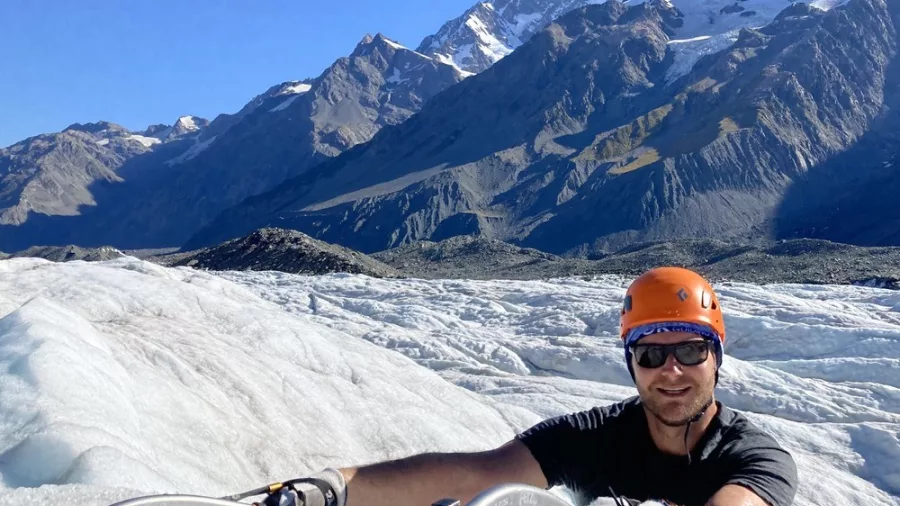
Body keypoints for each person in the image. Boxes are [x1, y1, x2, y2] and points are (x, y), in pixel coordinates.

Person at [295, 267, 798, 506]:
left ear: (716, 357)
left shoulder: (755, 458)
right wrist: (330, 489)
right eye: (650, 354)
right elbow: (479, 473)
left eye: (691, 350)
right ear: (631, 363)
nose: (671, 370)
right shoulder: (593, 435)